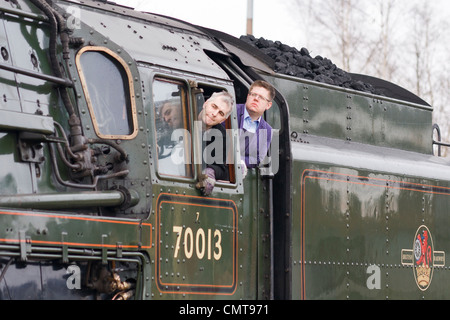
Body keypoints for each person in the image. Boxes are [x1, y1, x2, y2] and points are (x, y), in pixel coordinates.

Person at [196, 91, 234, 196]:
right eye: (214, 106)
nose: (214, 114)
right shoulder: (185, 114)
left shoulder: (222, 137)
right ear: (206, 103)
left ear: (224, 119)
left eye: (221, 113)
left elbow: (221, 167)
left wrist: (211, 171)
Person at [237, 80, 276, 170]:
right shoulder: (231, 112)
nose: (256, 99)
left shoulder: (267, 130)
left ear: (268, 105)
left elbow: (256, 159)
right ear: (248, 96)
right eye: (253, 94)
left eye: (261, 97)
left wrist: (239, 161)